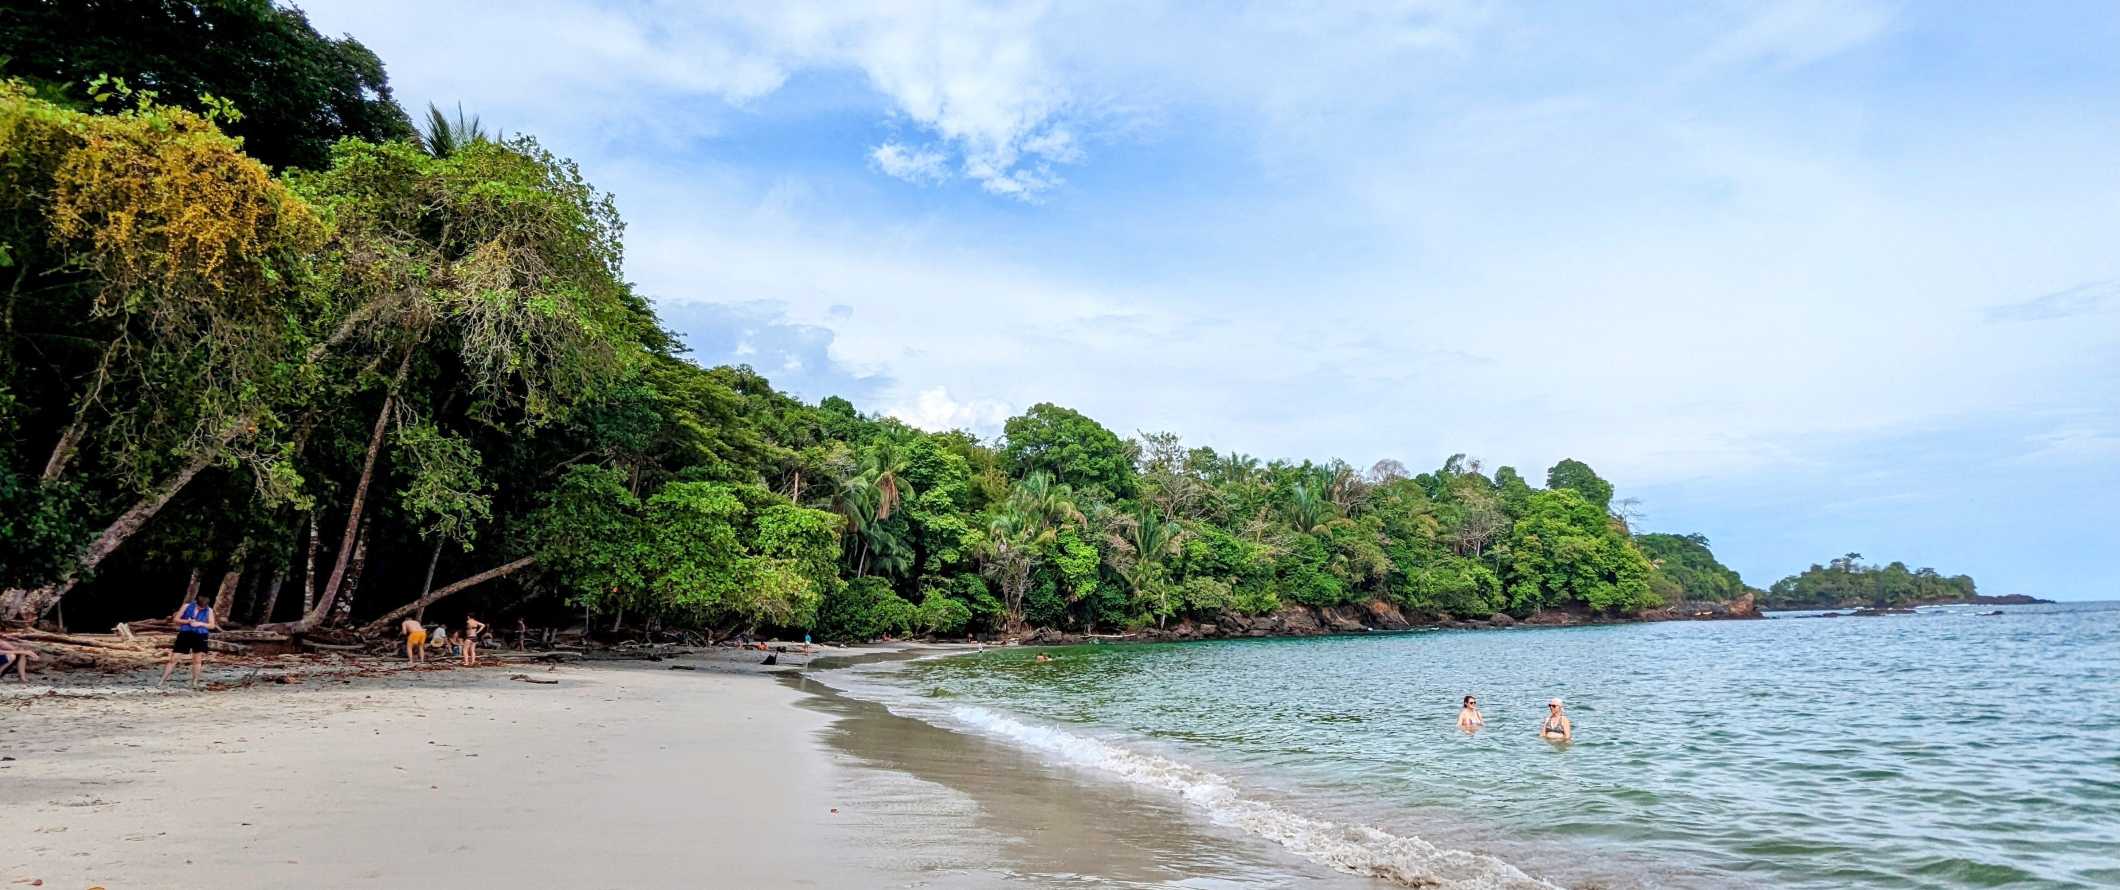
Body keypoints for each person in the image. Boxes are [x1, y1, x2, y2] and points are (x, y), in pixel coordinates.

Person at [159, 591, 218, 690]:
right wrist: (188, 621)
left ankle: (194, 682)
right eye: (199, 607)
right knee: (174, 658)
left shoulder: (209, 610)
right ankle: (162, 681)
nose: (201, 609)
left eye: (202, 608)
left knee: (197, 660)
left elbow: (212, 625)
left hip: (200, 635)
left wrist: (200, 624)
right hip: (185, 633)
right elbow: (176, 619)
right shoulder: (187, 606)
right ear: (196, 602)